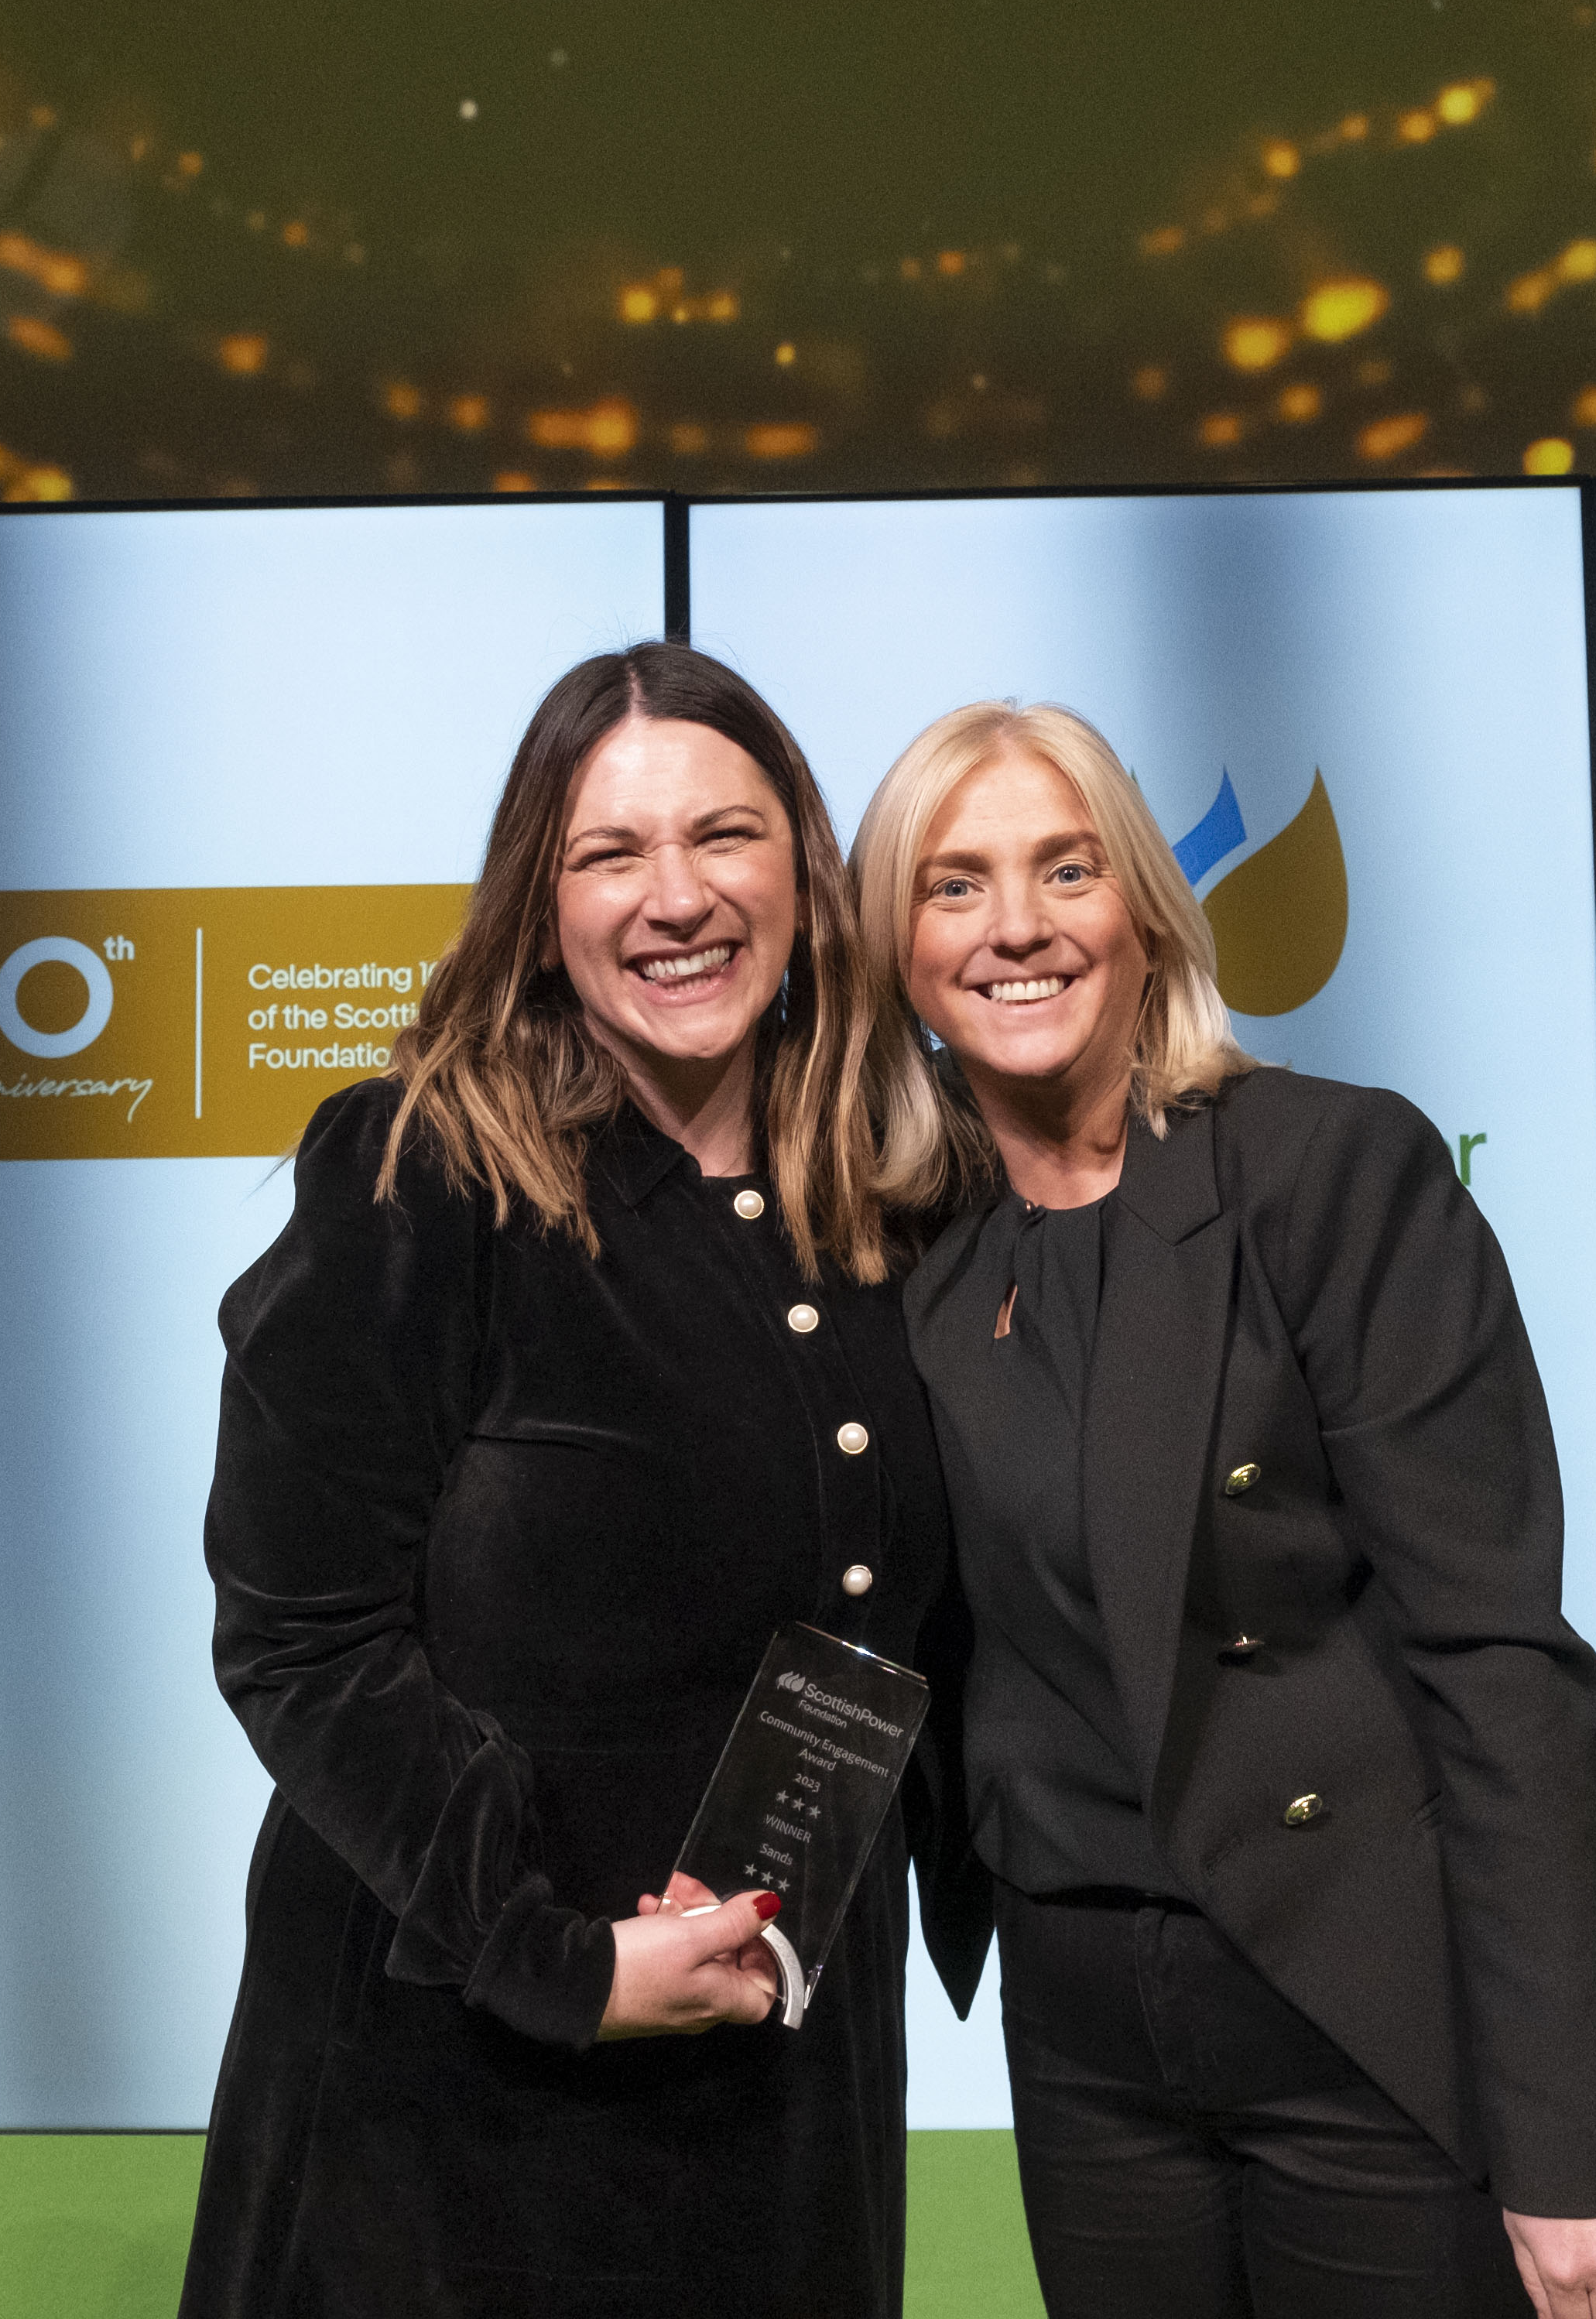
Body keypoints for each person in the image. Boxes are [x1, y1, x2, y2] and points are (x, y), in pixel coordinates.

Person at [851, 701, 1596, 2319]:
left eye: (1067, 869)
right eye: (953, 884)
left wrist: (1580, 2141)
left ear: (1146, 912)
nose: (1015, 925)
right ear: (895, 946)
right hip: (1081, 2025)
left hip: (1362, 1986)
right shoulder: (902, 1247)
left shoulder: (1329, 1173)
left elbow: (1496, 1661)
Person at [181, 645, 963, 2319]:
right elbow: (299, 1637)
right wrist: (557, 1958)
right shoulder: (421, 1175)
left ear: (807, 875)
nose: (676, 897)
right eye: (612, 853)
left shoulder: (900, 1192)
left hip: (782, 2066)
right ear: (542, 909)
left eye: (726, 836)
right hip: (456, 2077)